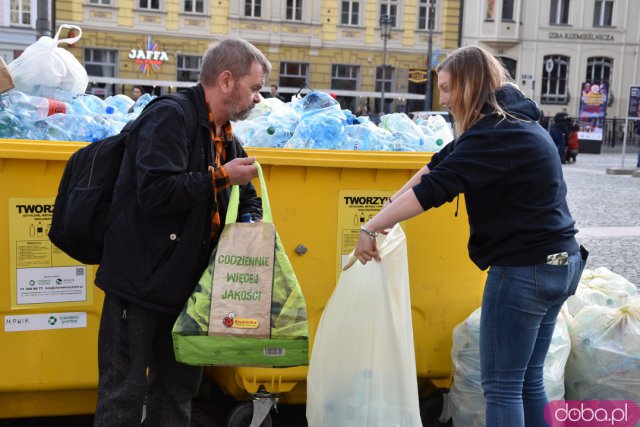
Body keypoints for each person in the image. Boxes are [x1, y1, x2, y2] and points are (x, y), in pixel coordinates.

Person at [349, 46, 586, 427]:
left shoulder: (494, 135)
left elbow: (435, 189)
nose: (442, 99)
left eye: (446, 89)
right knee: (526, 381)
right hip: (560, 262)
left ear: (469, 85)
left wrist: (371, 227)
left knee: (502, 387)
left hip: (525, 270)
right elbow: (436, 167)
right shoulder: (511, 123)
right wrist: (386, 214)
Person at [93, 38, 271, 427]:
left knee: (176, 394)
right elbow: (155, 192)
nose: (258, 98)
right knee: (123, 396)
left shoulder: (225, 134)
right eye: (255, 87)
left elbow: (248, 196)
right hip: (139, 286)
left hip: (189, 292)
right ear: (227, 80)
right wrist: (223, 176)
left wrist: (250, 223)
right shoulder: (170, 117)